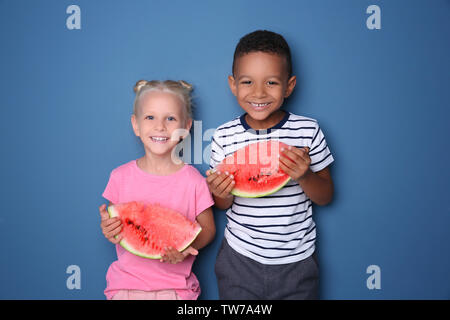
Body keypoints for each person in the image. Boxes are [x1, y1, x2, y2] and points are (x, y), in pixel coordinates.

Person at [207, 30, 334, 299]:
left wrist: (304, 176)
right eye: (247, 82)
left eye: (272, 83)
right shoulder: (224, 136)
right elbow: (223, 205)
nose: (259, 92)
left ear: (289, 85)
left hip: (297, 260)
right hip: (239, 258)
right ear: (233, 84)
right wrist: (221, 191)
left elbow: (326, 196)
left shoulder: (307, 131)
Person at [99, 80, 215, 300]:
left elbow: (208, 230)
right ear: (135, 124)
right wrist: (108, 229)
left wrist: (186, 248)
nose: (160, 126)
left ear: (186, 127)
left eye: (170, 118)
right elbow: (118, 227)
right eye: (150, 117)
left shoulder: (194, 181)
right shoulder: (119, 177)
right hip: (125, 289)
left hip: (177, 291)